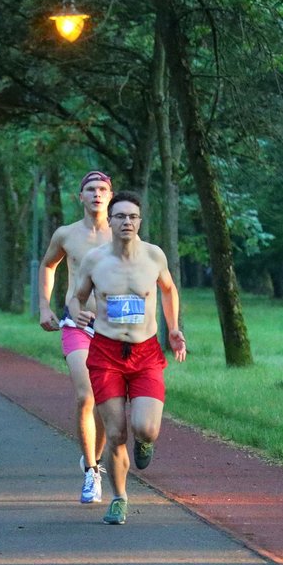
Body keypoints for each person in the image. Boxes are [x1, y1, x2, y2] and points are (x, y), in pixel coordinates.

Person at [69, 190, 187, 525]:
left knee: (145, 429)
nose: (126, 222)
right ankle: (120, 498)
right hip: (106, 353)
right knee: (117, 432)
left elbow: (168, 289)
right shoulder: (95, 260)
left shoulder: (154, 256)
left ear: (140, 220)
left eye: (132, 216)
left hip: (145, 351)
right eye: (120, 216)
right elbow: (77, 298)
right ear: (111, 219)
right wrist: (77, 314)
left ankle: (146, 443)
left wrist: (173, 328)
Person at [39, 170, 114, 504]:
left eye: (102, 189)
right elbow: (47, 266)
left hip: (113, 328)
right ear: (80, 197)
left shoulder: (123, 234)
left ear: (110, 196)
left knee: (106, 400)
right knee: (87, 395)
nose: (96, 194)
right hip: (76, 324)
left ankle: (92, 459)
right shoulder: (66, 234)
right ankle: (92, 475)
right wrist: (44, 307)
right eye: (90, 189)